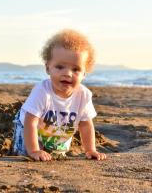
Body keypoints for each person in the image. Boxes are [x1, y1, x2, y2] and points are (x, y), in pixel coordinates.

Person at [13, 29, 107, 161]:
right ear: (48, 68)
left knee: (57, 153)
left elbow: (85, 125)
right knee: (27, 153)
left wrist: (90, 149)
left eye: (75, 69)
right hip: (29, 127)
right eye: (60, 67)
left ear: (84, 73)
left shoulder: (84, 95)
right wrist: (34, 150)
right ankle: (31, 148)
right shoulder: (42, 92)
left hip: (58, 131)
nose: (67, 73)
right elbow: (30, 121)